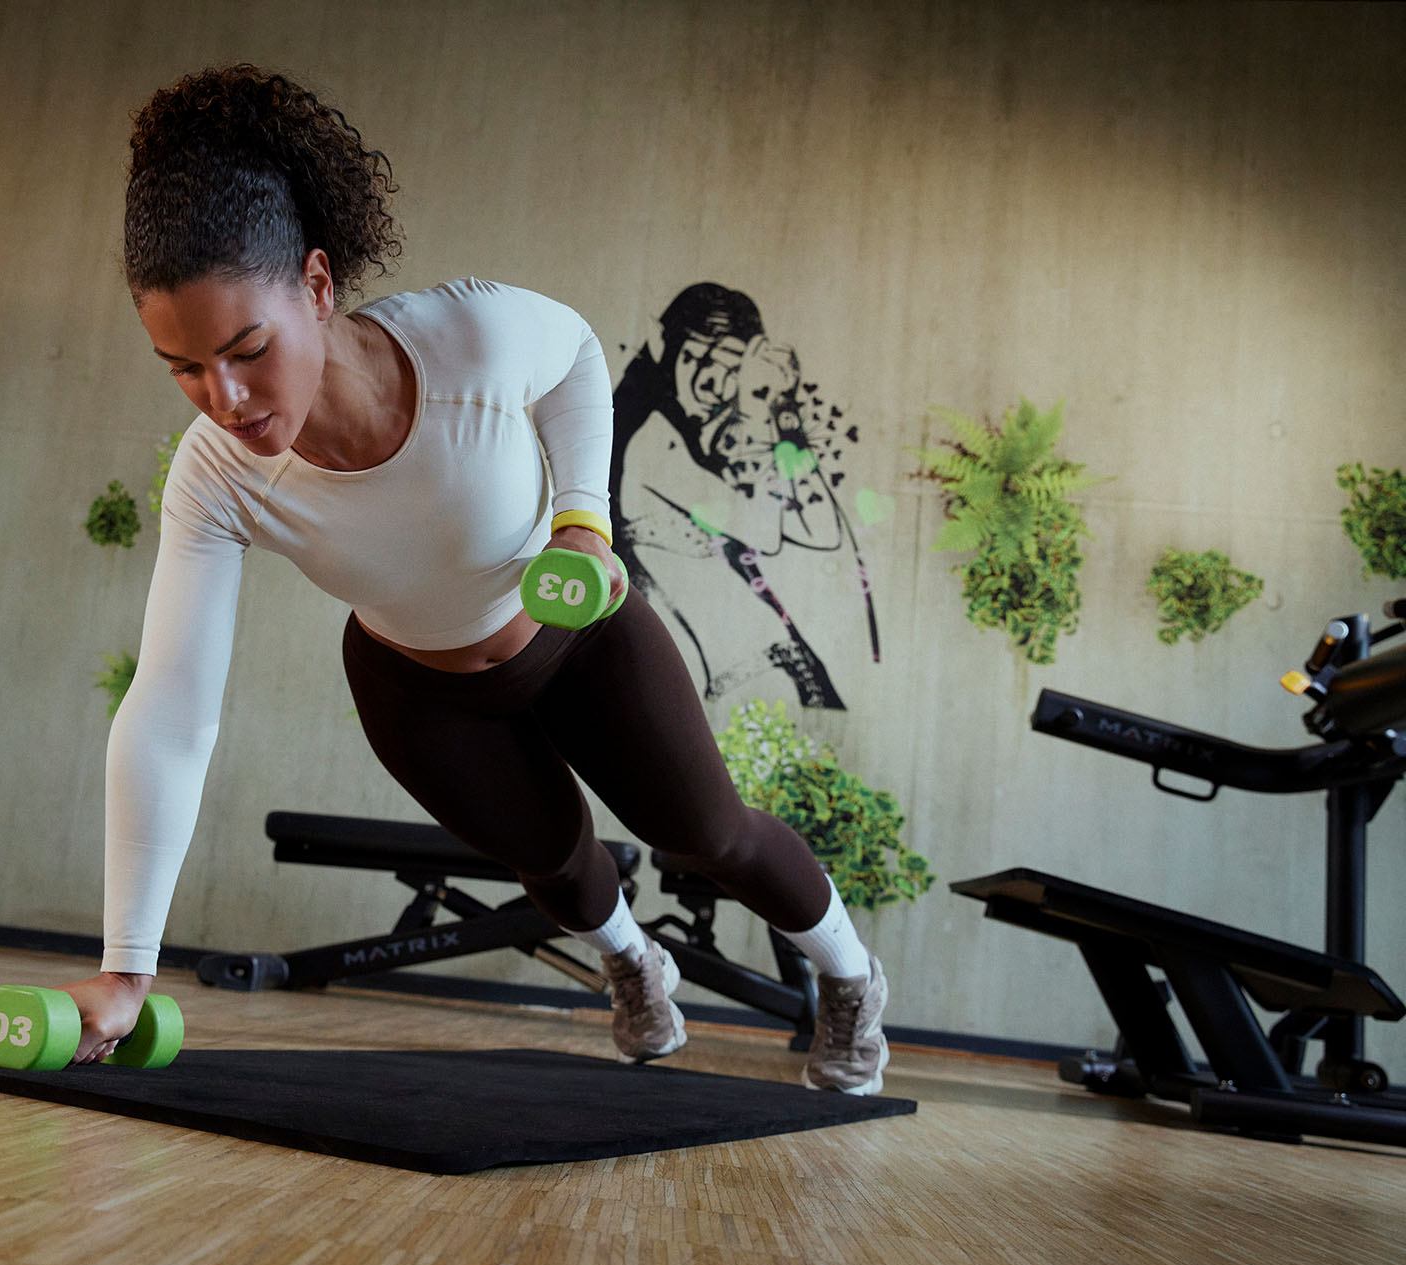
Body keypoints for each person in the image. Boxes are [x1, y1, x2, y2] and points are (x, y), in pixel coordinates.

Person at [59, 65, 890, 1094]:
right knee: (552, 856)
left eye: (246, 349)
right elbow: (172, 709)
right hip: (419, 688)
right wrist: (127, 966)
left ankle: (851, 976)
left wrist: (584, 520)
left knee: (705, 833)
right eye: (181, 366)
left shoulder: (469, 338)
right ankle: (635, 961)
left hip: (578, 634)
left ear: (316, 287)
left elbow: (581, 355)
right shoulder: (215, 475)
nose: (221, 397)